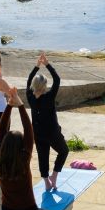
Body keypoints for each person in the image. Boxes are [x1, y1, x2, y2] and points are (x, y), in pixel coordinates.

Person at [27, 51, 70, 192]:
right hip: (52, 132)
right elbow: (57, 80)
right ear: (44, 87)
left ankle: (46, 181)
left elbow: (28, 81)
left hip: (38, 133)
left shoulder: (30, 97)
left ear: (34, 86)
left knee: (43, 156)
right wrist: (46, 64)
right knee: (63, 151)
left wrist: (36, 67)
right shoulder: (49, 97)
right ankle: (54, 176)